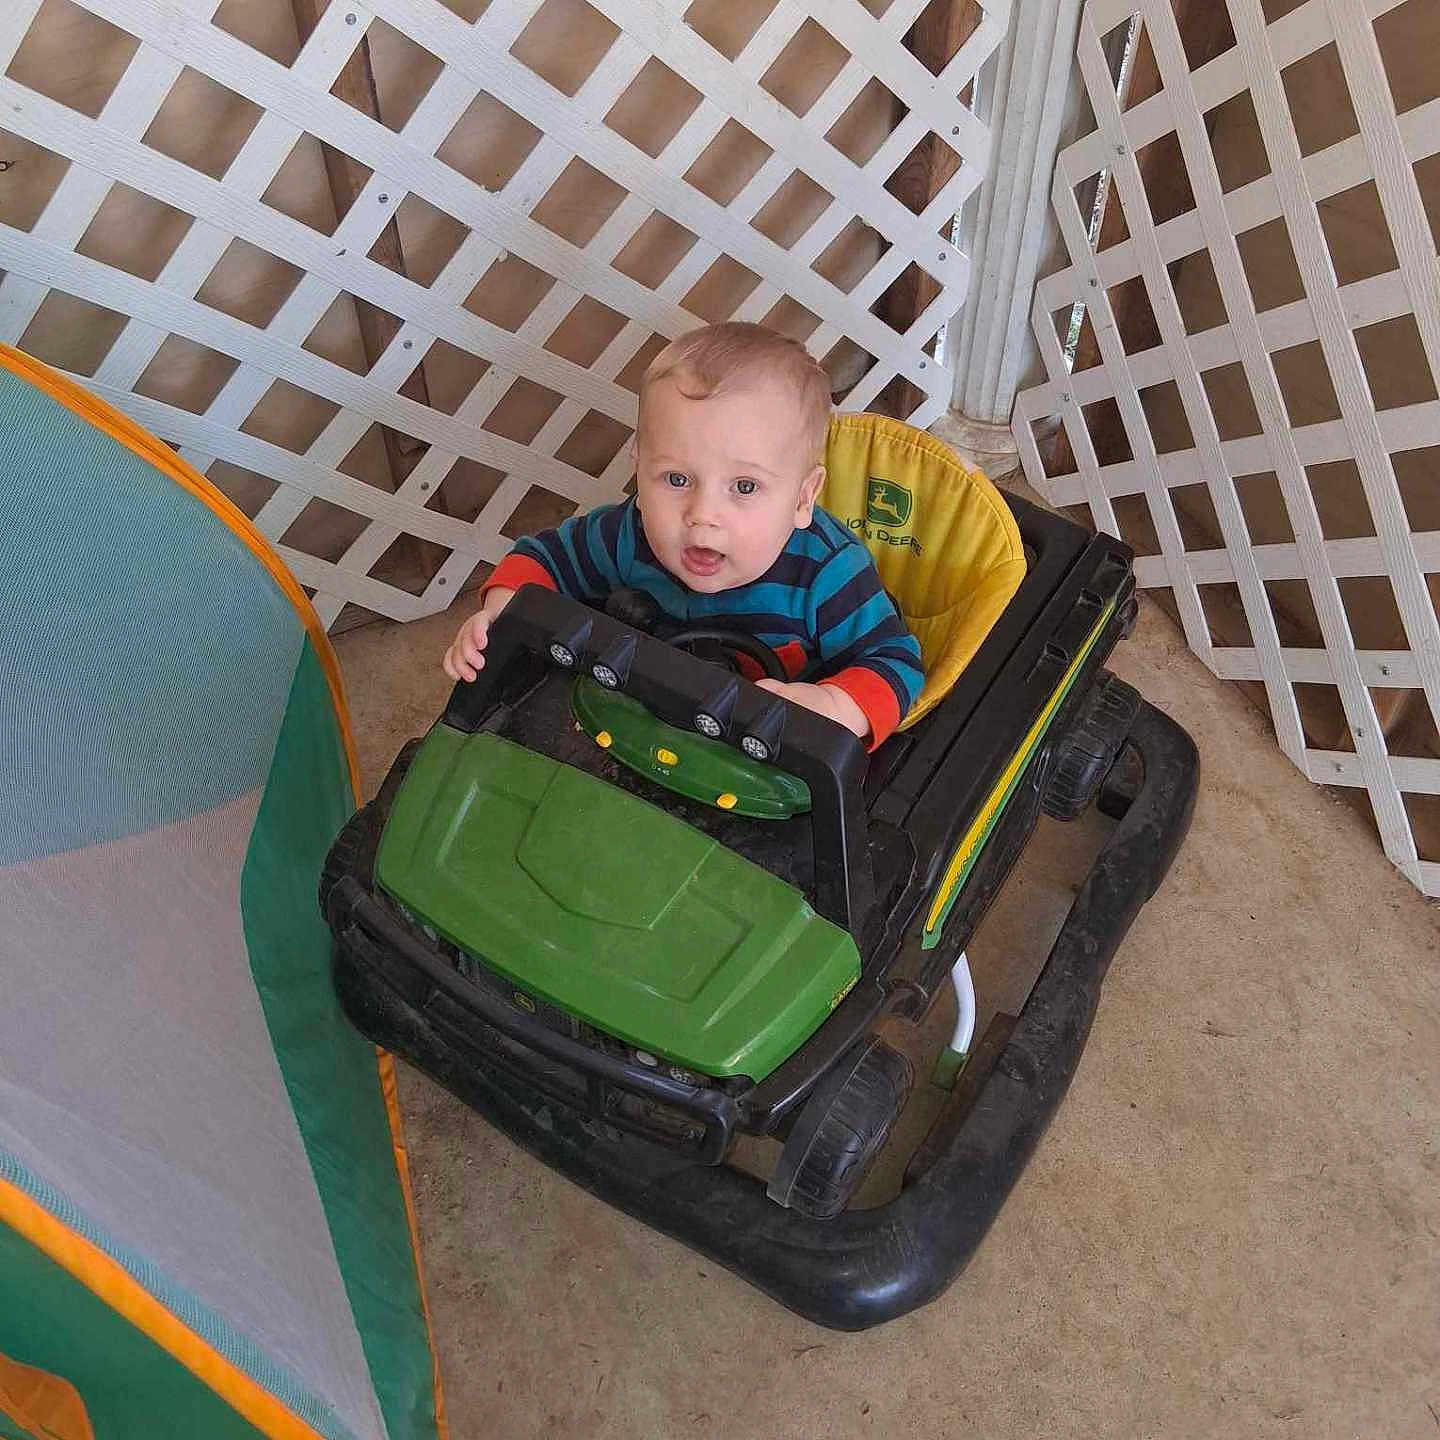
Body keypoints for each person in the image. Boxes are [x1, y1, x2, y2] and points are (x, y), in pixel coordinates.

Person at [443, 322, 923, 749]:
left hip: (765, 758)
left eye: (745, 487)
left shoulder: (828, 573)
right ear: (639, 464)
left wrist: (832, 705)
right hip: (642, 722)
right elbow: (543, 557)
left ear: (802, 499)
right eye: (676, 479)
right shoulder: (629, 532)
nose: (702, 515)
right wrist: (500, 612)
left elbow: (895, 662)